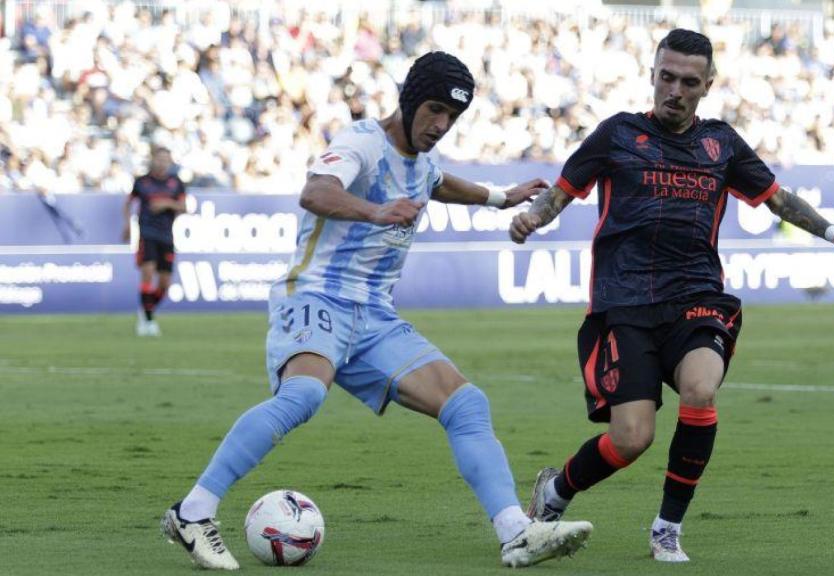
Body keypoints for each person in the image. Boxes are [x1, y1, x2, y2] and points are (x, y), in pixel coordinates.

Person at [160, 52, 592, 570]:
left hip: (374, 316)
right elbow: (315, 192)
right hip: (316, 295)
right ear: (410, 100)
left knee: (466, 404)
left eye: (451, 118)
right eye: (433, 110)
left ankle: (516, 532)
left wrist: (502, 197)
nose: (440, 126)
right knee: (302, 395)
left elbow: (437, 181)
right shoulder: (361, 142)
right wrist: (374, 210)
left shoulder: (421, 157)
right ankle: (193, 511)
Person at [509, 29, 834, 563]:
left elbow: (778, 199)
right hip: (626, 303)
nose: (675, 90)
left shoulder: (721, 144)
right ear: (652, 75)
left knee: (700, 390)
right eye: (667, 77)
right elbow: (561, 191)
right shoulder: (616, 134)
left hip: (696, 296)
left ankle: (667, 527)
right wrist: (533, 218)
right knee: (631, 439)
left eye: (689, 82)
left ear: (708, 85)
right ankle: (555, 493)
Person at [122, 146, 186, 336]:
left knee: (165, 284)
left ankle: (146, 310)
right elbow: (128, 203)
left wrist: (167, 203)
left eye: (166, 159)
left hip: (166, 236)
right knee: (147, 273)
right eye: (159, 159)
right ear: (153, 160)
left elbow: (183, 207)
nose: (162, 162)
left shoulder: (176, 183)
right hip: (147, 234)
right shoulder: (142, 182)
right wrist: (127, 225)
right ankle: (148, 321)